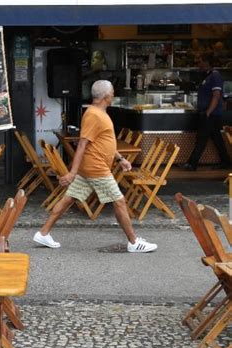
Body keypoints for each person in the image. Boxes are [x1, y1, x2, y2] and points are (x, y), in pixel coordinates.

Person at [33, 80, 157, 253]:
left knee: (69, 198)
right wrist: (72, 173)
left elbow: (103, 142)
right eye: (112, 92)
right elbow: (82, 145)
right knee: (119, 201)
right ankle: (134, 242)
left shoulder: (98, 113)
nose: (113, 94)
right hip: (96, 168)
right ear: (106, 96)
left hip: (91, 168)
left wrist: (120, 158)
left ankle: (43, 233)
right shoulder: (93, 115)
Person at [182, 53, 230, 171]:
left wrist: (208, 112)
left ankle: (192, 164)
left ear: (207, 62)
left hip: (211, 114)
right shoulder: (207, 76)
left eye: (200, 62)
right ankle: (226, 162)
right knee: (217, 139)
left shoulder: (215, 76)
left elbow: (216, 95)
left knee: (202, 138)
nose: (199, 65)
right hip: (209, 113)